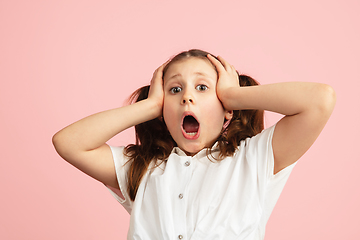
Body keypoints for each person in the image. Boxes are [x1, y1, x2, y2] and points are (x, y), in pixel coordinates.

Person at [52, 49, 336, 239]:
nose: (187, 97)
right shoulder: (142, 167)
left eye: (202, 88)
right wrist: (151, 106)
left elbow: (320, 100)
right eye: (175, 90)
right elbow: (68, 143)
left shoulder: (254, 159)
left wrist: (233, 95)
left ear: (226, 108)